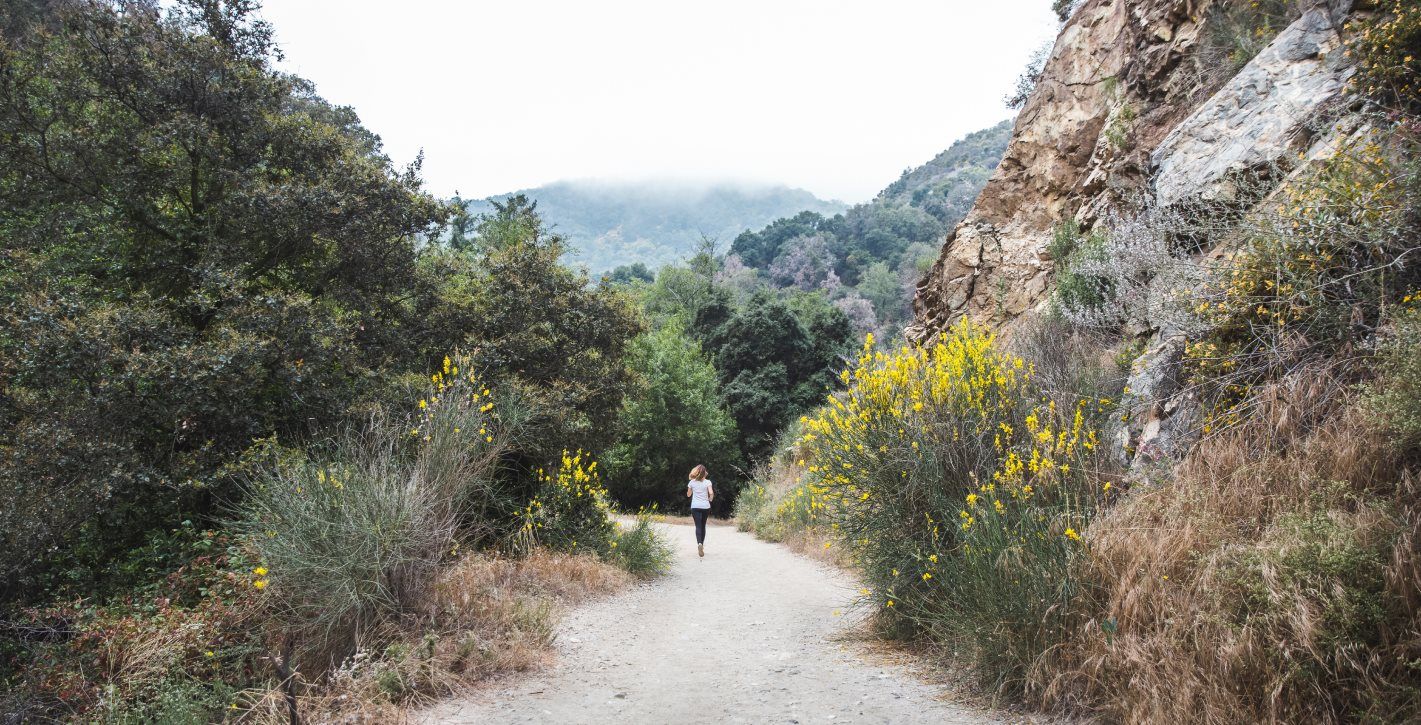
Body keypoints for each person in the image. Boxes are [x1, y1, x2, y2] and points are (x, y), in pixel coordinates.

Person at [686, 464, 713, 558]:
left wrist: (691, 491)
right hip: (705, 507)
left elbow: (688, 495)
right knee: (703, 525)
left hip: (695, 507)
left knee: (698, 525)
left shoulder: (692, 482)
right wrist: (710, 499)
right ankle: (702, 544)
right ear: (703, 472)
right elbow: (711, 493)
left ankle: (699, 544)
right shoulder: (708, 482)